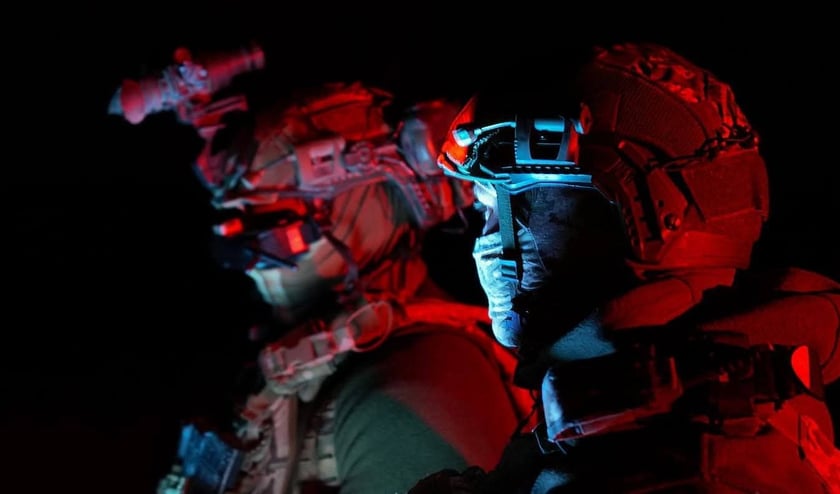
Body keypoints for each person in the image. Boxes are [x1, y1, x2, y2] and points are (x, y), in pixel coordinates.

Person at [410, 41, 840, 493]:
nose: (487, 240)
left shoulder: (690, 471)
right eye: (483, 210)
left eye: (503, 204)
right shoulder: (631, 421)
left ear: (639, 213)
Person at [110, 48, 534, 494]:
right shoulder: (314, 362)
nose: (252, 266)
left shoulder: (416, 388)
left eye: (275, 232)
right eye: (236, 239)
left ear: (372, 209)